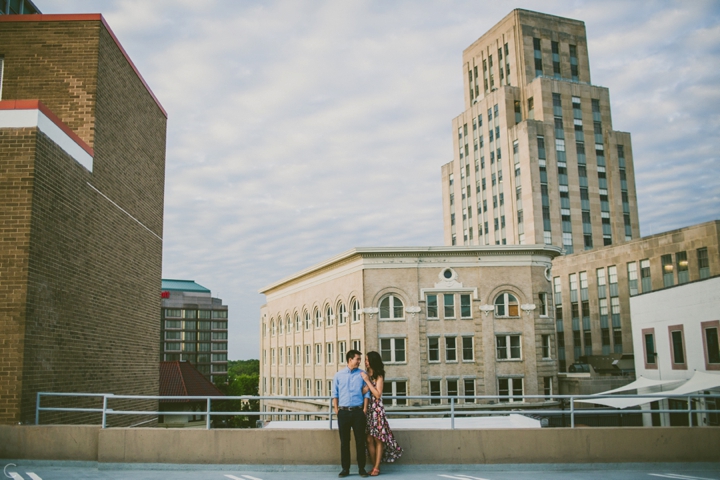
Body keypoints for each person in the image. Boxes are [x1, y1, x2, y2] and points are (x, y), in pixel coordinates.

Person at [360, 351, 403, 476]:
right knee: (368, 439)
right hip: (367, 409)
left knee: (378, 438)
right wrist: (366, 385)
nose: (365, 362)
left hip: (376, 410)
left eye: (367, 360)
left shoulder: (379, 375)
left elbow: (378, 394)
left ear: (373, 361)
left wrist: (368, 382)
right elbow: (362, 392)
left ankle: (377, 468)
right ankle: (374, 466)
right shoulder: (365, 374)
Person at [332, 349, 371, 478]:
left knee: (360, 441)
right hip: (343, 412)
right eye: (357, 359)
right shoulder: (338, 375)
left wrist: (364, 409)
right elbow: (335, 394)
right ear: (350, 359)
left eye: (360, 359)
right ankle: (345, 469)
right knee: (344, 442)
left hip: (358, 412)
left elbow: (367, 393)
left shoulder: (362, 374)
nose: (359, 362)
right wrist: (337, 410)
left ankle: (361, 469)